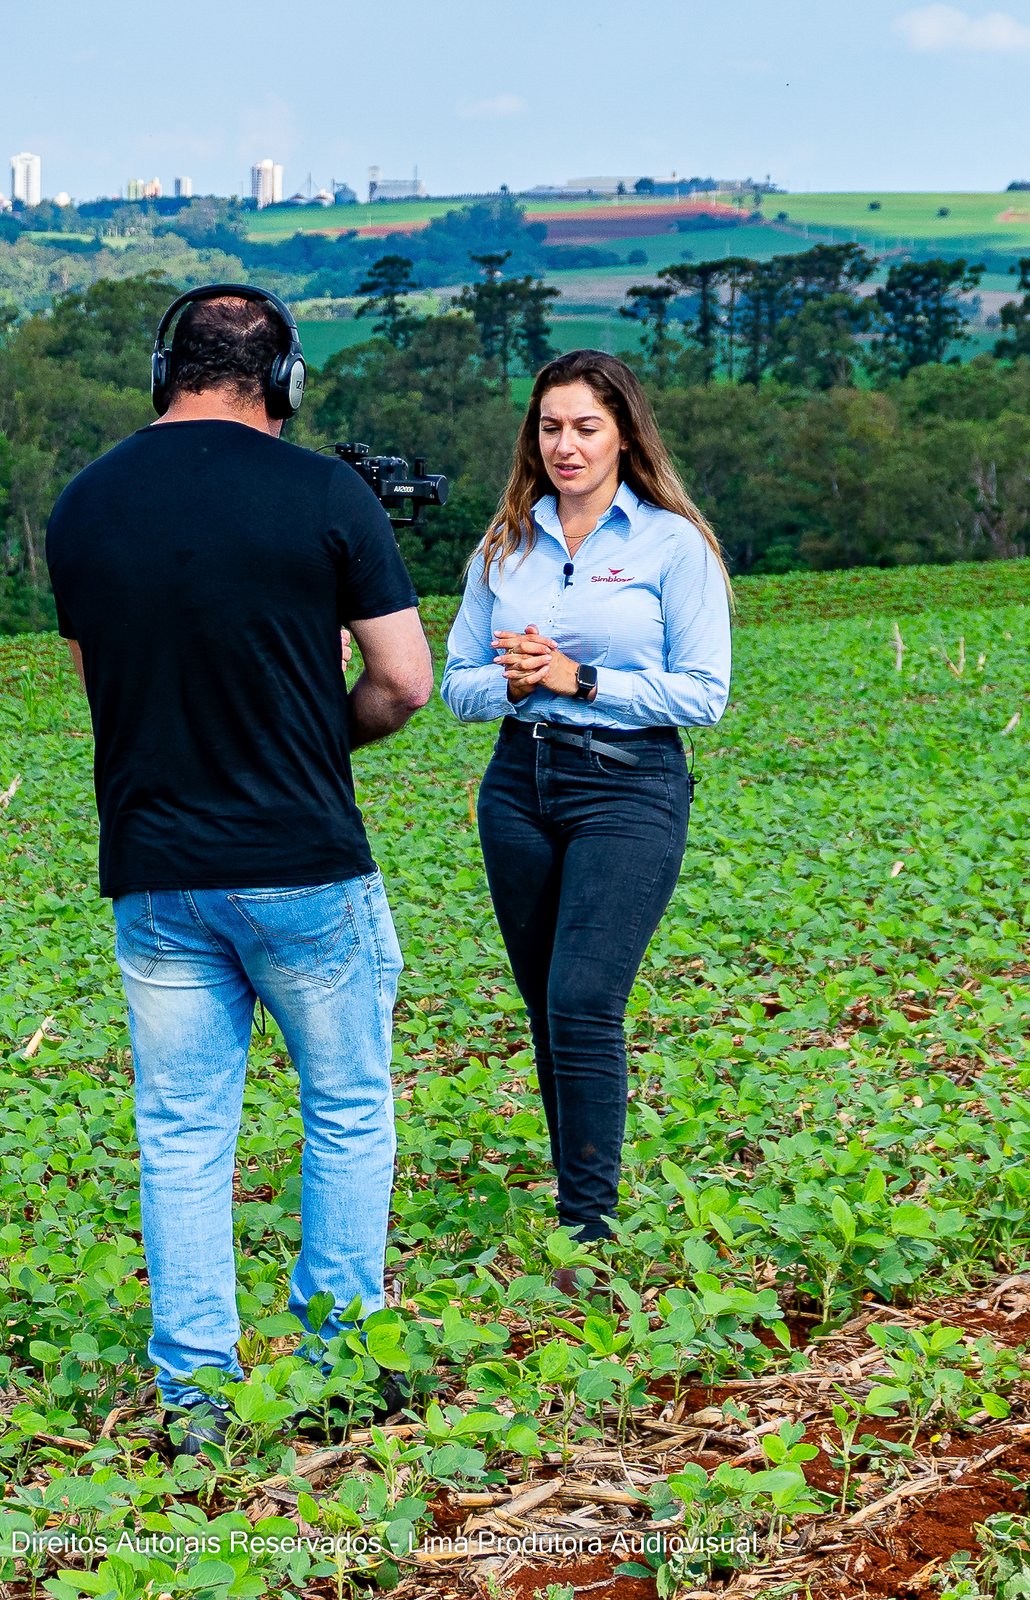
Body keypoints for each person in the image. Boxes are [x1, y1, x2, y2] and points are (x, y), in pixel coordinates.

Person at [46, 284, 434, 1457]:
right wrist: (319, 729)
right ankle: (338, 1355)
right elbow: (405, 680)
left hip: (155, 865)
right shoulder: (328, 492)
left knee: (180, 1130)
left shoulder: (82, 505)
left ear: (163, 366)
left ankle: (194, 1396)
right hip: (303, 862)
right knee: (348, 1105)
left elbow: (98, 682)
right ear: (285, 381)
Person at [440, 349, 731, 1277]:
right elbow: (455, 685)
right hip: (519, 785)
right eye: (550, 427)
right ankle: (579, 1208)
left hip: (628, 786)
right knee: (545, 1008)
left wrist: (580, 678)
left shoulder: (670, 546)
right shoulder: (505, 544)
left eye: (586, 427)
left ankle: (588, 1234)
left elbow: (703, 694)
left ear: (624, 434)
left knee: (583, 1000)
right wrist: (514, 682)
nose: (565, 446)